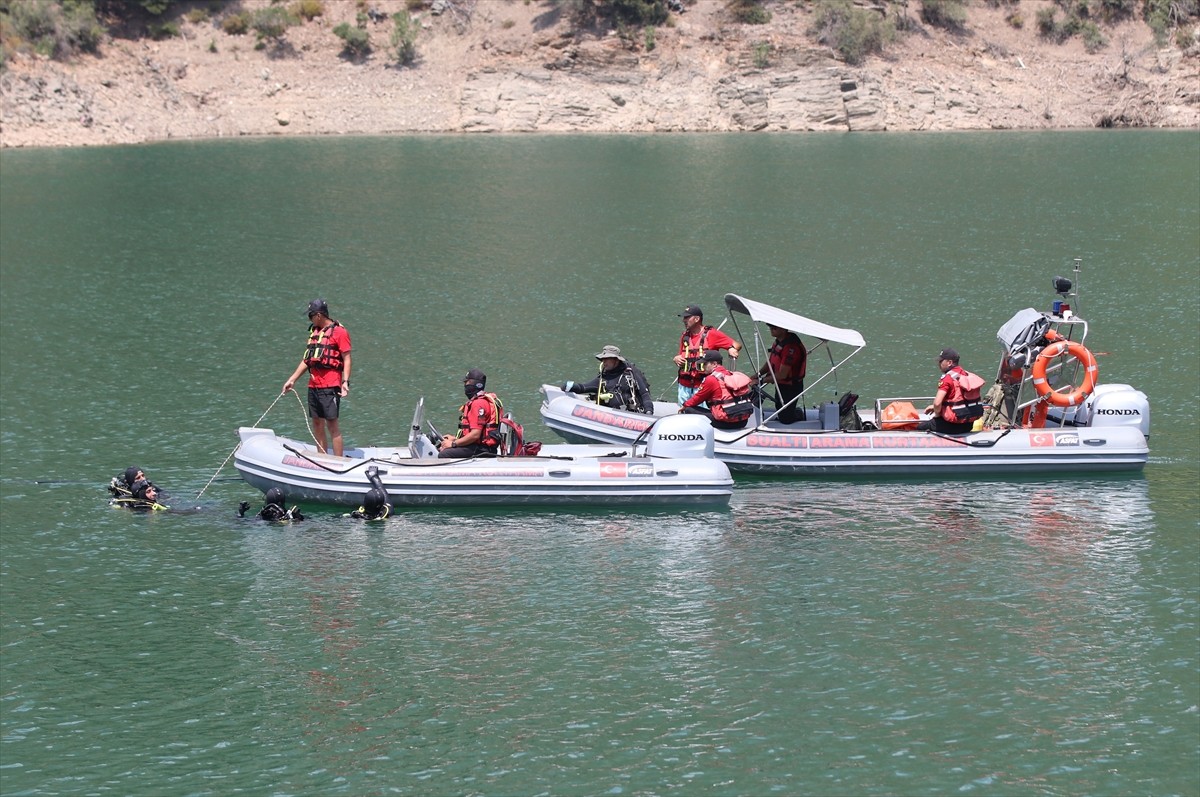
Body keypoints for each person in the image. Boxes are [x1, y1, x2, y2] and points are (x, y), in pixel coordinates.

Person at [283, 299, 352, 457]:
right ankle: (322, 458)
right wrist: (292, 379)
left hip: (330, 385)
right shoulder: (315, 332)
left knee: (332, 425)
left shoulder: (340, 332)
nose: (309, 319)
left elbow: (347, 358)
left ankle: (339, 461)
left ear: (319, 315)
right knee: (317, 423)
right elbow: (307, 360)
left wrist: (345, 382)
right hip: (313, 385)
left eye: (310, 316)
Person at [674, 304, 741, 405]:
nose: (684, 320)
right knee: (684, 415)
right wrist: (676, 358)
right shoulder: (685, 336)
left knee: (704, 417)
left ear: (697, 319)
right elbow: (681, 355)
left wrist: (731, 349)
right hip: (684, 386)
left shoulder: (712, 334)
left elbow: (737, 345)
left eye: (687, 317)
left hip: (703, 386)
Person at [563, 345, 654, 414]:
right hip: (610, 417)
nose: (604, 362)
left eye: (607, 359)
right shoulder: (603, 378)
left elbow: (644, 394)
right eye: (603, 359)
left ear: (616, 360)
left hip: (632, 416)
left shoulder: (630, 373)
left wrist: (648, 412)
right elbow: (583, 387)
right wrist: (570, 386)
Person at [678, 350, 753, 430]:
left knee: (689, 409)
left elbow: (697, 398)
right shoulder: (730, 374)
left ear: (714, 364)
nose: (703, 367)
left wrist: (685, 405)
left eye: (705, 364)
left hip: (725, 423)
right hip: (743, 422)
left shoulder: (711, 379)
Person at [438, 369, 504, 458]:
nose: (465, 385)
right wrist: (455, 439)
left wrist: (453, 444)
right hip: (480, 446)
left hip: (482, 449)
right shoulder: (481, 401)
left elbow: (475, 435)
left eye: (467, 382)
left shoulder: (478, 403)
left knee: (444, 454)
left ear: (475, 383)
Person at [917, 348, 986, 434]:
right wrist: (934, 407)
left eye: (941, 361)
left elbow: (937, 403)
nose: (939, 364)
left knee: (919, 427)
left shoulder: (947, 378)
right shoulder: (965, 375)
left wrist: (937, 416)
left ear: (949, 362)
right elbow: (960, 400)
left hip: (951, 426)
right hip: (968, 425)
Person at [756, 324, 807, 424]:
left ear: (783, 329)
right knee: (779, 407)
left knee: (785, 419)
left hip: (791, 386)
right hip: (780, 384)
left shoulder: (790, 348)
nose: (771, 329)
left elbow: (782, 375)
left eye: (774, 327)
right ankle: (790, 413)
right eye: (770, 327)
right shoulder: (779, 341)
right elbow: (771, 362)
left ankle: (797, 415)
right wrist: (758, 374)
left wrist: (761, 380)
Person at [238, 487, 304, 521]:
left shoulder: (264, 516)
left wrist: (241, 514)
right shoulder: (291, 515)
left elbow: (244, 524)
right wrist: (298, 517)